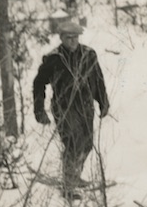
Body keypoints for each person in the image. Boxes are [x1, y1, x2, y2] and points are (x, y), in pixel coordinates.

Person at [33, 13, 110, 197]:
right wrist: (39, 110)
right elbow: (38, 84)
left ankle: (75, 176)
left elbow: (97, 79)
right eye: (69, 38)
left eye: (75, 37)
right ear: (61, 39)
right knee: (73, 143)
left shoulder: (89, 54)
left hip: (85, 106)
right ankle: (68, 186)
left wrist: (103, 102)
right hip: (63, 107)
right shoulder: (53, 58)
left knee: (87, 144)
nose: (73, 41)